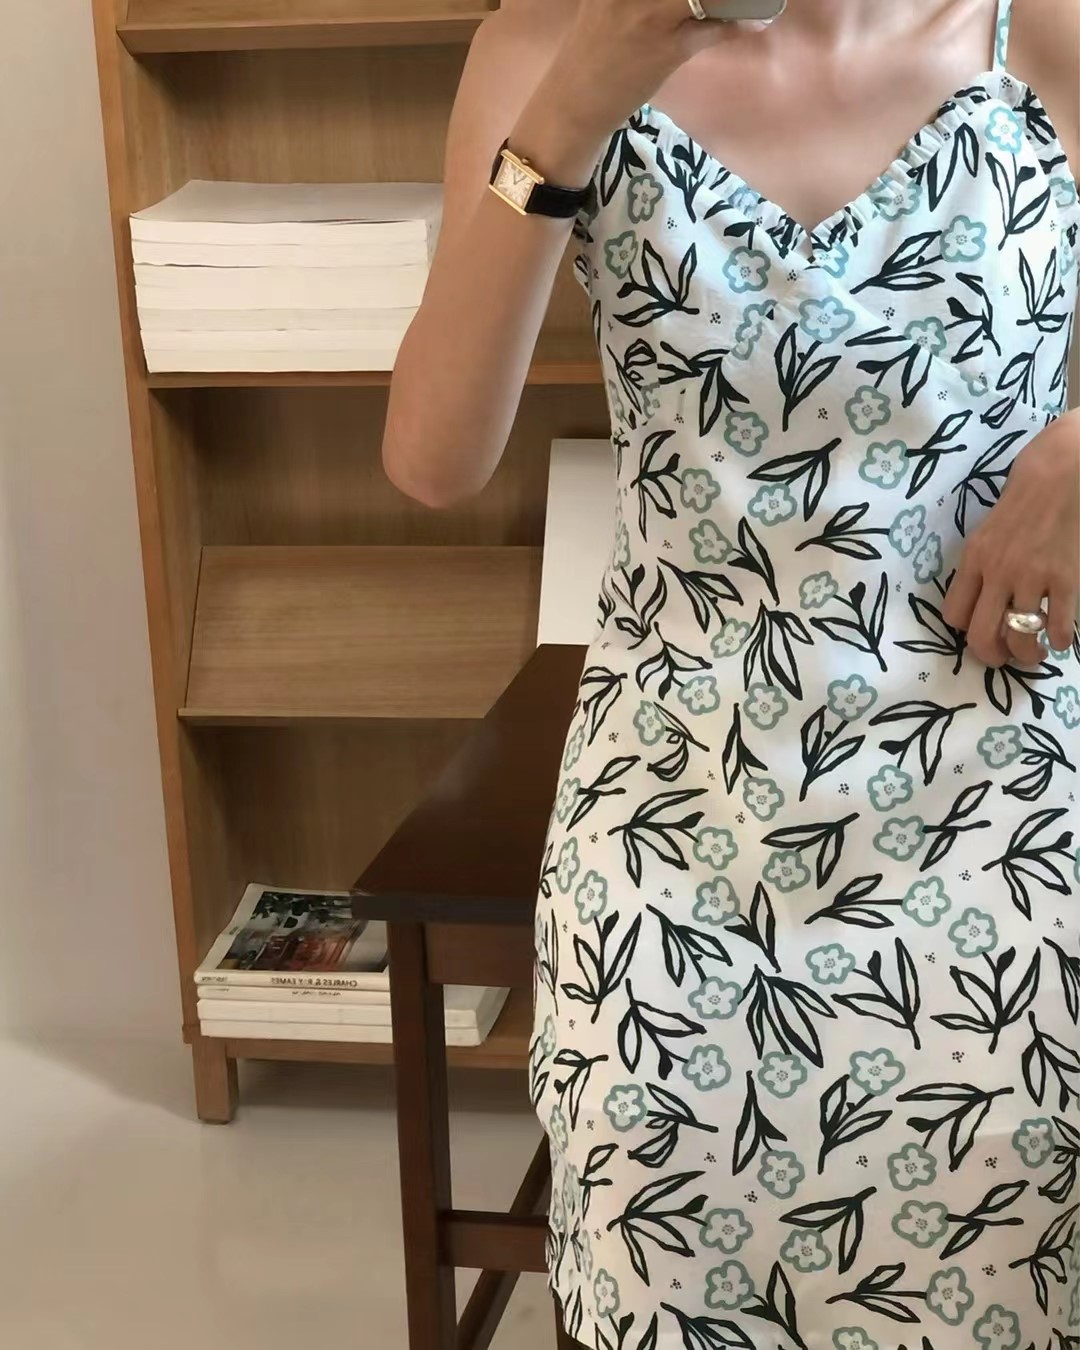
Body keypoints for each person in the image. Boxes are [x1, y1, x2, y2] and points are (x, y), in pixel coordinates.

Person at [383, 1, 1080, 1346]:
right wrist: (583, 94)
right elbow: (433, 456)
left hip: (1002, 823)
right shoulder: (545, 48)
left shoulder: (1040, 28)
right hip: (676, 836)